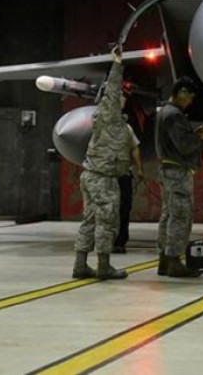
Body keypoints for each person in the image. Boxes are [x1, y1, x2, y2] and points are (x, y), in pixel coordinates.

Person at [71, 46, 137, 280]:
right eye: (121, 96)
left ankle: (80, 265)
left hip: (93, 176)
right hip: (103, 179)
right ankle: (104, 265)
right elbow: (112, 90)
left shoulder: (117, 123)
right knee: (106, 222)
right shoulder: (109, 115)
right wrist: (117, 64)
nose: (123, 99)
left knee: (89, 221)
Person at [155, 76, 203, 277]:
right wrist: (199, 136)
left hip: (167, 170)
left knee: (168, 215)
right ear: (181, 93)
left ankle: (164, 260)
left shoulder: (165, 112)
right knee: (180, 216)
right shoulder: (174, 115)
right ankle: (174, 261)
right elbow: (185, 145)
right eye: (189, 97)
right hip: (177, 172)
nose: (190, 101)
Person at [112, 115, 144, 254]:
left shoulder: (126, 128)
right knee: (107, 209)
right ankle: (105, 242)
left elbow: (134, 148)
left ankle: (120, 241)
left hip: (123, 174)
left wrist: (140, 169)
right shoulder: (100, 127)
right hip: (106, 176)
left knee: (124, 208)